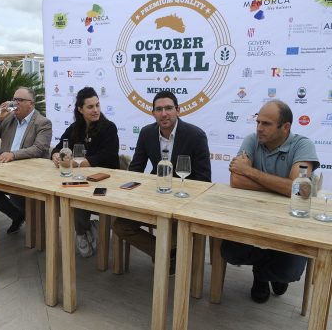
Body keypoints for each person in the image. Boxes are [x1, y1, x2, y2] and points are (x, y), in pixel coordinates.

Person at [222, 100, 319, 303]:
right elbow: (236, 179)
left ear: (286, 127)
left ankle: (262, 274)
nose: (259, 128)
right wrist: (283, 187)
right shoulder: (251, 140)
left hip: (291, 225)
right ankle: (265, 273)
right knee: (229, 251)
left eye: (266, 124)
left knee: (290, 272)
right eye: (258, 122)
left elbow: (299, 189)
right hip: (252, 219)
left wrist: (250, 172)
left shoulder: (303, 145)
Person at [112, 91, 211, 270]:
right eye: (159, 109)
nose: (164, 113)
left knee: (173, 235)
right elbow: (136, 170)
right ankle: (166, 254)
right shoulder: (147, 133)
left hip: (182, 204)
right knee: (121, 226)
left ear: (178, 110)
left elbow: (203, 180)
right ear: (153, 113)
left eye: (168, 108)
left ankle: (168, 255)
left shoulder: (196, 136)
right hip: (154, 199)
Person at [51, 87, 120, 257]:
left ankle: (87, 229)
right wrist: (56, 156)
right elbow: (59, 147)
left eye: (97, 105)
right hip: (82, 179)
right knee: (70, 194)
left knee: (77, 195)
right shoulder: (75, 127)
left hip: (107, 181)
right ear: (80, 110)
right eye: (90, 107)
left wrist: (75, 163)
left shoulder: (109, 128)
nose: (96, 110)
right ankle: (84, 230)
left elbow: (107, 157)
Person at [0, 86, 52, 233]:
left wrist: (13, 154)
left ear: (31, 104)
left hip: (29, 173)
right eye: (14, 99)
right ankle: (17, 215)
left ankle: (34, 228)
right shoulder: (8, 119)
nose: (15, 103)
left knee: (18, 195)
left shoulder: (43, 122)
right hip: (5, 170)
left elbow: (39, 149)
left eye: (20, 100)